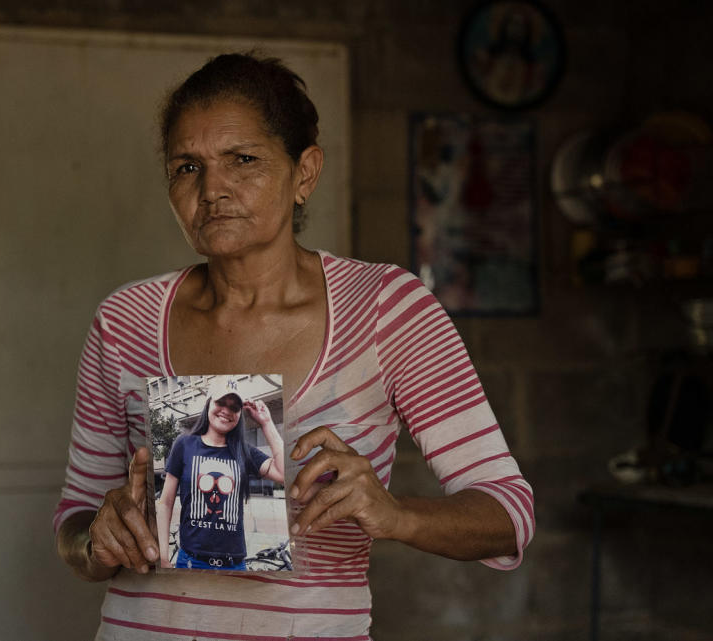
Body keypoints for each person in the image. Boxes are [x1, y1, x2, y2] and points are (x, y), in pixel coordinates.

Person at [54, 52, 535, 640]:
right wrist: (98, 538)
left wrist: (395, 513)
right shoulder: (124, 321)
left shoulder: (385, 308)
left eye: (244, 160)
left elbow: (508, 514)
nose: (212, 190)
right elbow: (74, 522)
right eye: (187, 167)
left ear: (304, 172)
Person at [156, 376, 285, 571]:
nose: (227, 410)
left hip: (234, 565)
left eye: (234, 407)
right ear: (209, 403)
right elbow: (165, 504)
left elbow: (285, 473)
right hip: (191, 562)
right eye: (221, 402)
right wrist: (163, 557)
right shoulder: (184, 444)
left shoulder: (244, 450)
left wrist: (266, 423)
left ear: (240, 414)